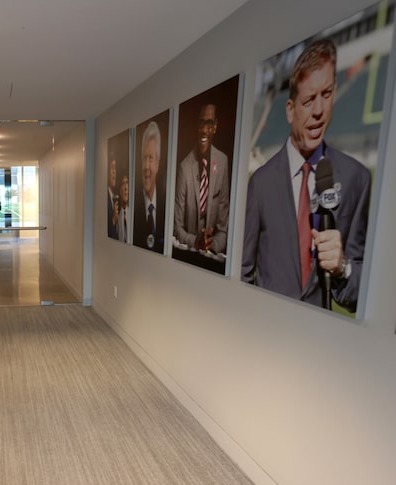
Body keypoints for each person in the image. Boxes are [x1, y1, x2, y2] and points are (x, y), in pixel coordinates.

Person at [242, 39, 370, 312]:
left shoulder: (356, 179)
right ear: (289, 110)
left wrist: (342, 267)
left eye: (326, 94)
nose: (318, 111)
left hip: (319, 345)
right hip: (265, 335)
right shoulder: (261, 183)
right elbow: (243, 274)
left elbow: (361, 294)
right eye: (309, 100)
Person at [174, 103, 230, 253]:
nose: (204, 130)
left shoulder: (223, 162)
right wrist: (196, 242)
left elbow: (223, 229)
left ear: (215, 126)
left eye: (209, 124)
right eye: (201, 124)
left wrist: (213, 245)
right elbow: (176, 227)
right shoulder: (184, 168)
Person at [133, 120, 166, 253]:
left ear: (158, 163)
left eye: (150, 158)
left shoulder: (166, 205)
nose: (146, 166)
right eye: (144, 158)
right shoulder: (133, 204)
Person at [107, 155, 120, 239]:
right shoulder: (105, 198)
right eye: (112, 168)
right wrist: (113, 220)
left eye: (115, 169)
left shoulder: (115, 197)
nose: (114, 172)